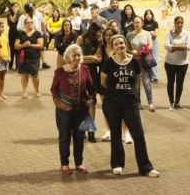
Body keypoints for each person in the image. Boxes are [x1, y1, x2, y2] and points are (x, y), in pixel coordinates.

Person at [101, 34, 159, 178]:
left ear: (125, 44)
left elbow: (137, 80)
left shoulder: (134, 62)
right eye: (116, 44)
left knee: (138, 134)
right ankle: (117, 164)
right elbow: (103, 81)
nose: (119, 46)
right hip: (112, 102)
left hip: (130, 103)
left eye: (121, 43)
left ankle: (145, 167)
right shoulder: (109, 62)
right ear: (113, 47)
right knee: (115, 134)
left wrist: (130, 93)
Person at [50, 44, 96, 175]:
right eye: (74, 55)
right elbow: (53, 89)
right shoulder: (60, 72)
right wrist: (57, 102)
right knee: (64, 137)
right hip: (63, 110)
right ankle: (64, 164)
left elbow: (92, 88)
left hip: (81, 110)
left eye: (78, 55)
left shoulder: (85, 69)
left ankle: (79, 163)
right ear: (68, 57)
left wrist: (91, 99)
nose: (77, 57)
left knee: (79, 137)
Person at [99, 28, 133, 144]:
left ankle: (126, 133)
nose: (108, 37)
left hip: (120, 82)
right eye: (106, 35)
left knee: (122, 110)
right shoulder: (101, 48)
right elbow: (97, 60)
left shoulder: (118, 49)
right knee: (106, 108)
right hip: (106, 82)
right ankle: (109, 130)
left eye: (110, 35)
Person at [76, 22, 103, 142]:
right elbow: (75, 57)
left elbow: (98, 59)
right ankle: (81, 130)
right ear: (93, 31)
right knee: (82, 102)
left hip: (92, 73)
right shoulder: (81, 38)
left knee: (92, 102)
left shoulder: (98, 42)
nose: (100, 34)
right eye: (99, 31)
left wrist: (86, 59)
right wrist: (91, 58)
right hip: (80, 72)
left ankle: (91, 130)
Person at [127, 17, 155, 112]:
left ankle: (150, 103)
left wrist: (139, 51)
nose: (136, 24)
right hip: (134, 62)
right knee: (136, 84)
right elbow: (127, 49)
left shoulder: (147, 34)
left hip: (145, 61)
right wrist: (132, 52)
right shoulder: (130, 35)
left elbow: (150, 46)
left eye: (138, 22)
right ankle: (138, 102)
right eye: (134, 23)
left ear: (142, 23)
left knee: (147, 83)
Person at [164, 16, 190, 110]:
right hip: (170, 63)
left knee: (180, 84)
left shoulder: (187, 33)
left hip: (182, 63)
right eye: (178, 23)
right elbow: (166, 46)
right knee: (170, 83)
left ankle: (177, 103)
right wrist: (180, 47)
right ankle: (171, 102)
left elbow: (188, 46)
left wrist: (174, 47)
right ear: (174, 23)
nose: (179, 24)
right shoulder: (169, 33)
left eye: (181, 23)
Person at [15, 17, 44, 98]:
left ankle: (36, 90)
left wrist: (30, 45)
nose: (30, 24)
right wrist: (23, 45)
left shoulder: (38, 33)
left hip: (34, 58)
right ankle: (24, 91)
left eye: (31, 22)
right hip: (22, 58)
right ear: (25, 24)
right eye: (28, 22)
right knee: (24, 74)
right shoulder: (21, 33)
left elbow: (41, 45)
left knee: (35, 75)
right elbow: (16, 46)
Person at [143, 9, 159, 83]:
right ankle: (150, 76)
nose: (148, 15)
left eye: (150, 13)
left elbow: (155, 34)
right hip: (146, 42)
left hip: (154, 41)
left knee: (154, 59)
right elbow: (143, 34)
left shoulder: (155, 23)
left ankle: (155, 77)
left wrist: (148, 32)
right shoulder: (143, 24)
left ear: (152, 15)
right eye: (147, 14)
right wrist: (150, 32)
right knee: (148, 59)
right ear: (145, 16)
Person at [6, 2, 20, 70]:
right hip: (12, 32)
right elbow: (13, 21)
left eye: (17, 6)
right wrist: (14, 13)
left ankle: (18, 66)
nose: (16, 8)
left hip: (18, 32)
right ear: (11, 7)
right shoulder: (9, 13)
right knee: (12, 48)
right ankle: (10, 65)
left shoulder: (19, 13)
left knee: (17, 48)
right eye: (15, 6)